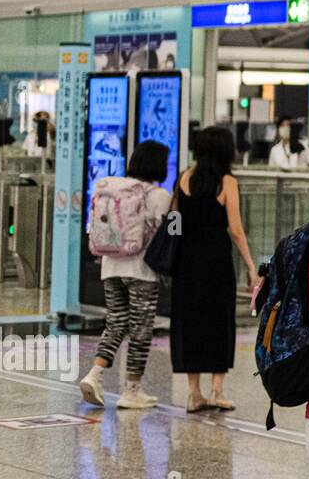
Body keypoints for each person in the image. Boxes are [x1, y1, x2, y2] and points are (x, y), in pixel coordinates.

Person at [170, 126, 258, 413]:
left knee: (190, 323)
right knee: (219, 322)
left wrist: (177, 246)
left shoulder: (183, 178)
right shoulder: (227, 182)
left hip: (186, 262)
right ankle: (217, 390)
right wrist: (251, 266)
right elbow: (236, 229)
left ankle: (193, 393)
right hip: (216, 262)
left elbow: (173, 219)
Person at [79, 140, 171, 410]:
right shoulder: (159, 195)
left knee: (116, 322)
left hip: (110, 265)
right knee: (141, 329)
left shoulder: (113, 187)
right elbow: (172, 230)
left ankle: (94, 374)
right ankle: (132, 389)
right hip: (141, 270)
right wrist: (177, 214)